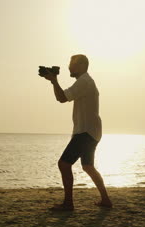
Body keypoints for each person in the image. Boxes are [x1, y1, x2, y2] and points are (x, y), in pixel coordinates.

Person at [41, 54, 112, 211]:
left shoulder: (84, 82)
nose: (68, 67)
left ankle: (68, 203)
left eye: (71, 64)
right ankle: (106, 200)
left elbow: (61, 98)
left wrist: (54, 81)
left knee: (64, 164)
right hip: (92, 131)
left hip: (85, 131)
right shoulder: (86, 81)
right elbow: (63, 96)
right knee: (88, 166)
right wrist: (53, 81)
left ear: (81, 65)